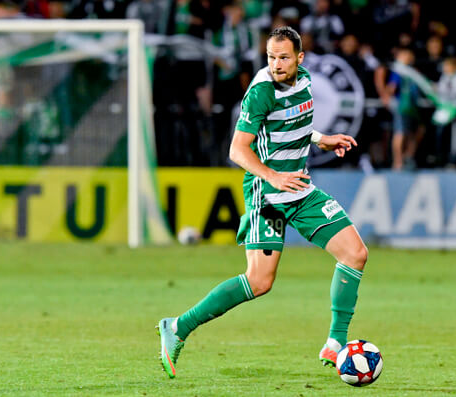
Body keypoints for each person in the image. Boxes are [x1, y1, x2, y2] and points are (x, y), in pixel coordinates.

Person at [157, 26, 367, 379]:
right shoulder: (261, 91)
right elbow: (237, 150)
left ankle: (335, 342)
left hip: (299, 188)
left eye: (284, 57)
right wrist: (273, 176)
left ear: (300, 58)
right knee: (259, 282)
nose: (276, 64)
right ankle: (177, 327)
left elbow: (293, 124)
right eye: (271, 57)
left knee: (355, 254)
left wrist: (321, 140)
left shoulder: (305, 81)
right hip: (267, 193)